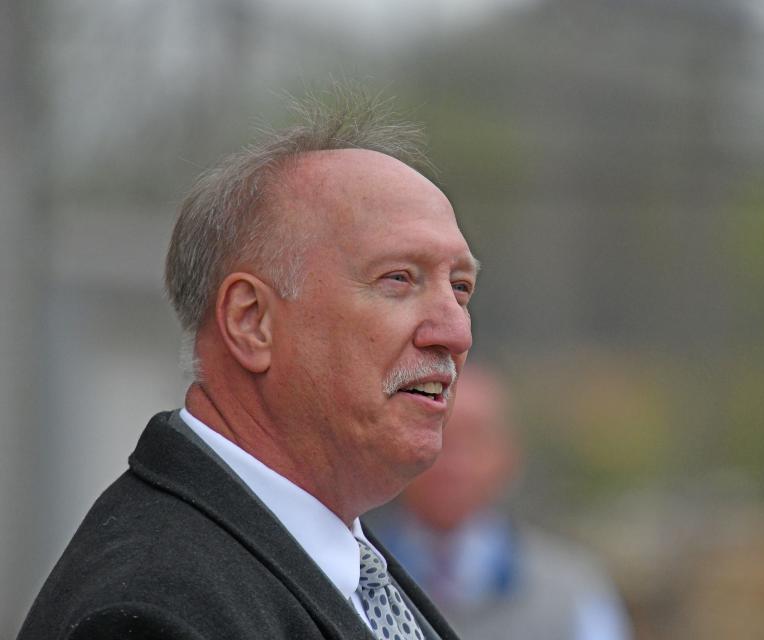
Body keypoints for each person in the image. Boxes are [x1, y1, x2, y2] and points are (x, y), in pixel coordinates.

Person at [18, 91, 478, 640]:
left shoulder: (337, 568)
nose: (455, 331)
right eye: (399, 279)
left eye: (460, 288)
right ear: (250, 321)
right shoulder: (150, 613)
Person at [372, 365, 635, 640]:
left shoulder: (572, 588)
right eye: (436, 433)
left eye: (473, 441)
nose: (452, 463)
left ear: (508, 454)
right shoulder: (358, 572)